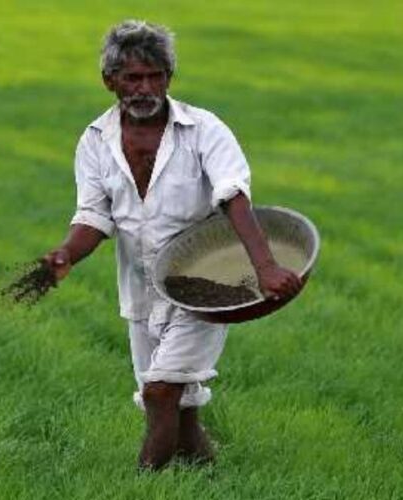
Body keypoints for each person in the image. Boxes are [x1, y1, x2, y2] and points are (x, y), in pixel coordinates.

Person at [42, 20, 302, 470]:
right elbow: (93, 215)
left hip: (205, 283)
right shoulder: (95, 141)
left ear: (169, 77)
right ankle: (207, 475)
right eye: (132, 77)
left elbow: (233, 196)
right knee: (178, 407)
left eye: (155, 75)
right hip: (141, 288)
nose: (145, 87)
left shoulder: (204, 130)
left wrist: (265, 266)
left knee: (160, 390)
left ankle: (144, 483)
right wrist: (66, 254)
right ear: (110, 81)